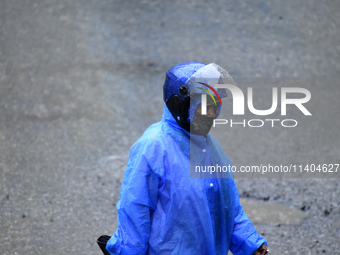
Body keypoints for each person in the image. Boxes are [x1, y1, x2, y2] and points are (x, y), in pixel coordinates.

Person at [104, 62, 268, 255]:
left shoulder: (209, 146)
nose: (212, 114)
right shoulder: (154, 146)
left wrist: (250, 243)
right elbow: (135, 209)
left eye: (215, 106)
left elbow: (227, 205)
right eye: (204, 107)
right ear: (179, 104)